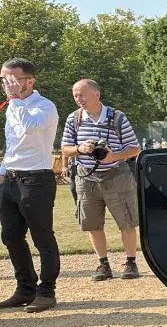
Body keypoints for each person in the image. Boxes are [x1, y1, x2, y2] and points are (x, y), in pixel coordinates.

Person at [60, 79, 143, 282]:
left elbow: (135, 148)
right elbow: (65, 148)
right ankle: (103, 263)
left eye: (82, 94)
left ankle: (131, 262)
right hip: (86, 176)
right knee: (92, 223)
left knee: (126, 221)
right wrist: (80, 149)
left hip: (116, 174)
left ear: (97, 95)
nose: (78, 99)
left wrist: (113, 156)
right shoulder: (74, 118)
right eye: (75, 95)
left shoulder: (117, 117)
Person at [0, 58, 61, 312]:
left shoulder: (45, 107)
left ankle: (46, 291)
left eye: (12, 80)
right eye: (4, 80)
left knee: (42, 237)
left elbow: (30, 128)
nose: (7, 85)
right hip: (11, 179)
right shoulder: (12, 107)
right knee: (11, 235)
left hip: (36, 179)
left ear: (30, 81)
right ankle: (25, 288)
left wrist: (15, 100)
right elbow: (14, 144)